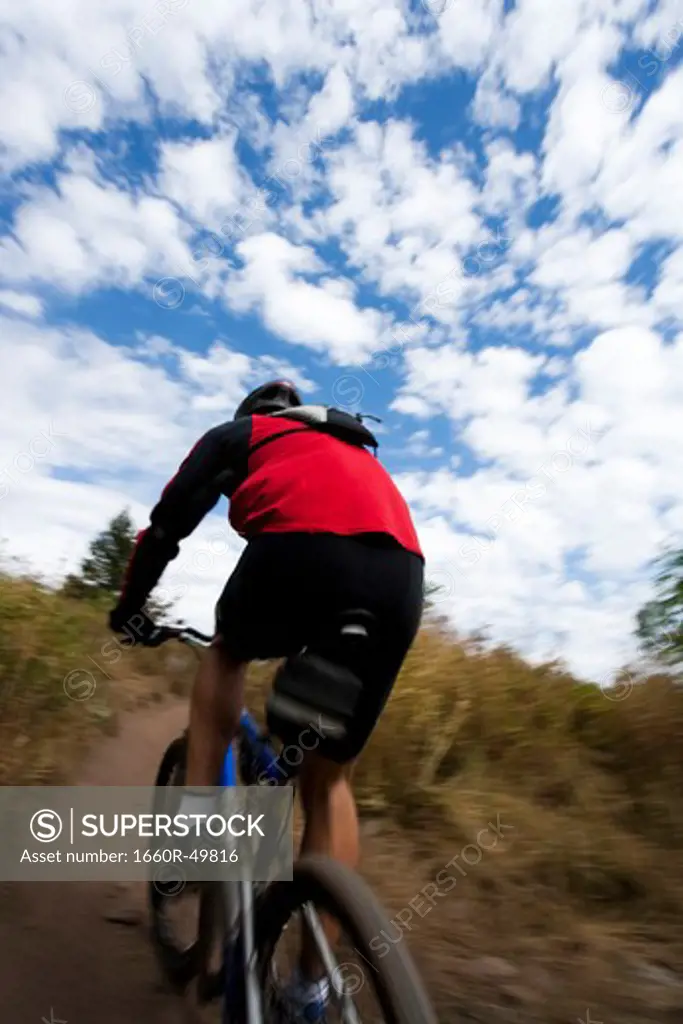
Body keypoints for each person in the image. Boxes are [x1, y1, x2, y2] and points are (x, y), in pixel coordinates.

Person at [109, 380, 424, 1021]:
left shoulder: (242, 435)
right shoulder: (352, 450)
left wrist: (130, 608)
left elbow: (165, 529)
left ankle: (198, 826)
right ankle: (310, 989)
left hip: (299, 552)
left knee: (226, 651)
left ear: (253, 416)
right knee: (329, 781)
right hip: (400, 575)